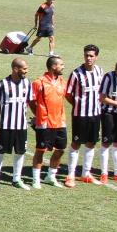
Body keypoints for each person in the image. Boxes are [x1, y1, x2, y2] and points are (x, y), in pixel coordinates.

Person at [0, 58, 33, 190]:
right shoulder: (2, 84)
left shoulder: (27, 83)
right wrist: (4, 114)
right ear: (15, 69)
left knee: (20, 152)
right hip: (5, 126)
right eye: (24, 68)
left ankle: (16, 179)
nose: (26, 71)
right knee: (0, 151)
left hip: (21, 125)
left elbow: (29, 102)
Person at [65, 44, 104, 187]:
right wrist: (77, 104)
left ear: (96, 57)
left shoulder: (100, 71)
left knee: (91, 143)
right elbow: (68, 94)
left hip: (95, 113)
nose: (88, 58)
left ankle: (86, 173)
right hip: (80, 114)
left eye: (91, 56)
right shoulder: (76, 73)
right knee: (76, 143)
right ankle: (70, 174)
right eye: (86, 55)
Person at [30, 56, 70, 189]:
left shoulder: (62, 81)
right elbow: (31, 100)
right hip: (44, 123)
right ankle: (36, 179)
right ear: (53, 66)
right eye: (61, 64)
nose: (63, 66)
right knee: (41, 150)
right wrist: (38, 115)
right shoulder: (39, 82)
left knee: (61, 149)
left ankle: (50, 176)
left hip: (60, 121)